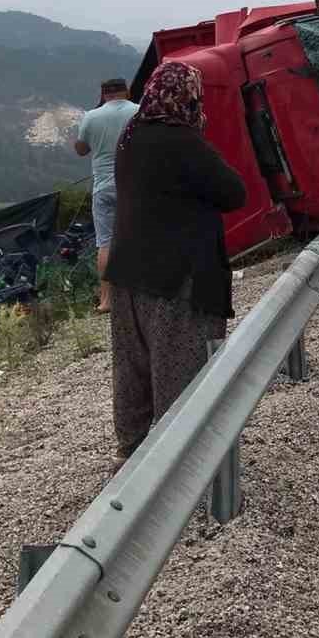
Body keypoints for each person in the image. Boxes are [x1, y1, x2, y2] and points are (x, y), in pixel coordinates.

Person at [104, 61, 247, 463]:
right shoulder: (181, 140)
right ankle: (176, 472)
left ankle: (129, 457)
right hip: (173, 279)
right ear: (188, 97)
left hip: (126, 274)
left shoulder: (130, 135)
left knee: (132, 373)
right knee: (179, 377)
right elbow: (234, 193)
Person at [74, 77, 139, 312]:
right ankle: (145, 292)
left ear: (103, 95)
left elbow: (81, 150)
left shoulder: (91, 116)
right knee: (141, 235)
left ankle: (106, 300)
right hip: (133, 184)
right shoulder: (138, 111)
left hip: (103, 187)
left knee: (105, 243)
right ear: (127, 92)